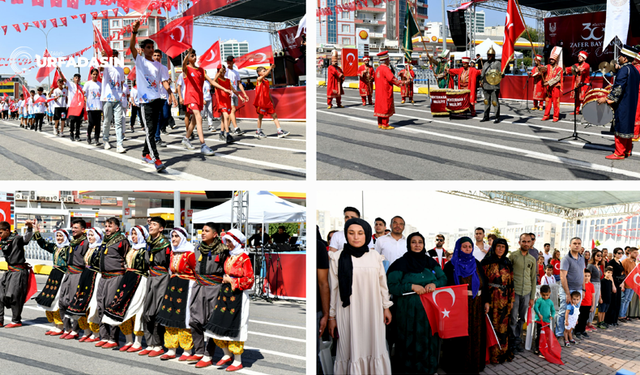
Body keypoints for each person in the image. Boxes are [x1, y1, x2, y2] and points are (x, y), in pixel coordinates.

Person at [327, 218, 392, 374]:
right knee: (350, 348)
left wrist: (386, 307)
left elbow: (383, 285)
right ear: (346, 235)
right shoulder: (337, 257)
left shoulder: (375, 256)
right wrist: (331, 317)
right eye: (351, 233)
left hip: (373, 310)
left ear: (367, 235)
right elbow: (333, 289)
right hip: (348, 312)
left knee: (374, 346)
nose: (356, 237)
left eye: (360, 233)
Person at [387, 232, 447, 373]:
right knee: (408, 340)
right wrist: (411, 287)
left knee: (427, 339)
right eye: (414, 242)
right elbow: (391, 286)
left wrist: (434, 284)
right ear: (409, 244)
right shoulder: (400, 263)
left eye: (420, 242)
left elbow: (443, 278)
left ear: (424, 244)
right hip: (406, 312)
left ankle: (428, 369)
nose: (417, 245)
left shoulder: (430, 262)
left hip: (428, 312)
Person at [203, 229, 255, 372]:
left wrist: (232, 280)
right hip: (225, 294)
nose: (228, 245)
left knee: (237, 326)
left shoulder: (244, 258)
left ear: (237, 242)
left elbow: (250, 280)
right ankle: (226, 354)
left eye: (230, 242)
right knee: (217, 323)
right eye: (226, 242)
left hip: (238, 295)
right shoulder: (229, 256)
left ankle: (237, 360)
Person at [129, 20, 174, 172]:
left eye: (152, 47)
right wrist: (134, 32)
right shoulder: (140, 61)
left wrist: (170, 93)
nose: (151, 49)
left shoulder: (159, 66)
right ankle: (156, 159)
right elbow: (131, 47)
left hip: (157, 100)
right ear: (143, 49)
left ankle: (144, 153)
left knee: (153, 129)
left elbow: (164, 82)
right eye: (149, 47)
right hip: (145, 101)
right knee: (150, 130)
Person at [442, 237, 488, 374]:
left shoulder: (476, 264)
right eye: (464, 246)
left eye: (469, 246)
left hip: (477, 305)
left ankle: (474, 364)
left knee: (475, 333)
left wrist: (486, 301)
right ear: (458, 248)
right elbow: (446, 286)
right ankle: (458, 365)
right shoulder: (451, 265)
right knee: (460, 334)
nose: (467, 249)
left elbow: (484, 283)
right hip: (458, 306)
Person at [102, 225, 149, 352]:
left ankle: (138, 342)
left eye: (136, 234)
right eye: (132, 234)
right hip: (127, 279)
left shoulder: (146, 250)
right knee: (123, 308)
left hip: (140, 280)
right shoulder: (132, 249)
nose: (133, 236)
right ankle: (128, 340)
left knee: (137, 310)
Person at [155, 227, 197, 360]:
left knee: (184, 317)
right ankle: (171, 348)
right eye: (172, 236)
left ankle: (187, 350)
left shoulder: (190, 253)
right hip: (173, 285)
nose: (173, 239)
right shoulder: (173, 253)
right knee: (169, 315)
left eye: (176, 236)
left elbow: (196, 271)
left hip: (186, 285)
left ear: (183, 238)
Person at [180, 48, 232, 155]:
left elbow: (212, 82)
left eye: (195, 55)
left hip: (199, 97)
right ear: (188, 57)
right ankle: (203, 145)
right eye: (191, 55)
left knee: (194, 121)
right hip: (191, 97)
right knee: (199, 118)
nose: (194, 57)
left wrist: (225, 89)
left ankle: (186, 139)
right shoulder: (186, 69)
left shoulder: (201, 70)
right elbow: (183, 64)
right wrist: (187, 55)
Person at [598, 46, 640, 158]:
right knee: (628, 125)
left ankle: (619, 152)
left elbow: (618, 88)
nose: (619, 58)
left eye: (620, 56)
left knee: (621, 125)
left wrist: (607, 99)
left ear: (625, 59)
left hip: (623, 103)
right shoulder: (635, 70)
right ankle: (627, 150)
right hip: (632, 103)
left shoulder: (624, 70)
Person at [95, 217, 130, 349]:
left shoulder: (122, 241)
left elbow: (128, 258)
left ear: (117, 228)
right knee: (101, 305)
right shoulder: (105, 240)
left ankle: (113, 338)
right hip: (103, 276)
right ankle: (103, 336)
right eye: (106, 226)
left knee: (112, 306)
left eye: (110, 226)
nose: (107, 228)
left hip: (116, 276)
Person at [139, 217, 171, 357]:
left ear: (161, 228)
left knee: (157, 312)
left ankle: (158, 345)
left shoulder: (165, 244)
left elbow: (169, 264)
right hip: (150, 278)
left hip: (162, 279)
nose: (150, 226)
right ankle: (150, 343)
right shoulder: (149, 243)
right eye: (150, 224)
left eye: (154, 224)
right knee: (146, 312)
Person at [66, 227, 104, 343]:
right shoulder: (90, 248)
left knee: (93, 305)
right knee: (81, 302)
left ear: (98, 236)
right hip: (85, 275)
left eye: (92, 235)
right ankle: (86, 330)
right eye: (89, 235)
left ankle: (96, 333)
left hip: (95, 276)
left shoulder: (101, 249)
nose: (90, 237)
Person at [33, 228, 73, 336]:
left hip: (63, 275)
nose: (59, 238)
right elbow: (43, 244)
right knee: (48, 299)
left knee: (56, 300)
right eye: (58, 236)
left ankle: (60, 326)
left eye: (61, 236)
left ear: (66, 237)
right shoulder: (55, 247)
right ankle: (55, 325)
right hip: (54, 275)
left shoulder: (69, 249)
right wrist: (37, 231)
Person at [481, 238, 515, 364]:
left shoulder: (507, 262)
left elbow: (511, 282)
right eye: (498, 246)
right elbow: (483, 283)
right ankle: (491, 356)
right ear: (494, 247)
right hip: (490, 298)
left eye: (503, 247)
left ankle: (502, 353)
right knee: (491, 325)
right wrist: (485, 300)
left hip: (505, 298)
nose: (500, 249)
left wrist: (512, 299)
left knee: (503, 326)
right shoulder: (486, 262)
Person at [58, 219, 89, 339]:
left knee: (74, 302)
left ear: (83, 229)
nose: (73, 230)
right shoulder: (73, 242)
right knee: (62, 302)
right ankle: (67, 327)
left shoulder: (86, 242)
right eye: (72, 227)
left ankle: (75, 330)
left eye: (76, 227)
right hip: (68, 273)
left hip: (78, 274)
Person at [0, 220, 34, 328]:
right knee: (0, 295)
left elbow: (26, 238)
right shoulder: (3, 241)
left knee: (14, 295)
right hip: (9, 271)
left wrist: (29, 228)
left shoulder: (17, 239)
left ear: (7, 231)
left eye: (0, 232)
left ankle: (16, 320)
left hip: (18, 272)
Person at [508, 233, 537, 352]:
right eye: (523, 241)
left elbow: (533, 278)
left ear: (531, 243)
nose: (526, 243)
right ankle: (512, 342)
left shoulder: (532, 259)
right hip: (515, 292)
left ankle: (518, 340)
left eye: (528, 241)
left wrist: (532, 296)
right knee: (513, 318)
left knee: (522, 319)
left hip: (526, 292)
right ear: (519, 242)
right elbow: (508, 275)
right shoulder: (513, 256)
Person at [555, 237, 585, 340]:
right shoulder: (566, 259)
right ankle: (559, 334)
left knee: (574, 313)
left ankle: (569, 333)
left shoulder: (582, 258)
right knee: (564, 312)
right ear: (570, 245)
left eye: (579, 243)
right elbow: (563, 277)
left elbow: (583, 273)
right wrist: (567, 294)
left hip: (578, 290)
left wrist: (583, 289)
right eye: (574, 243)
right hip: (567, 290)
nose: (577, 245)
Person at [254, 64, 290, 138]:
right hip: (261, 102)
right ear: (259, 73)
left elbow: (268, 92)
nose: (265, 72)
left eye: (265, 71)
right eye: (263, 71)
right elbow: (266, 74)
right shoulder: (259, 79)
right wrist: (271, 67)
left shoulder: (266, 81)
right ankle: (258, 131)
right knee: (260, 116)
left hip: (267, 102)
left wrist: (272, 100)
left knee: (274, 115)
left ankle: (279, 131)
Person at [98, 51, 125, 152]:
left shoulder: (120, 70)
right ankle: (105, 140)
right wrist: (103, 58)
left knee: (118, 122)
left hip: (117, 99)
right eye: (112, 56)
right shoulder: (106, 67)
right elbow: (100, 69)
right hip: (107, 98)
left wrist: (121, 95)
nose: (114, 58)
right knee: (107, 121)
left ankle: (119, 144)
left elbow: (121, 83)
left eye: (115, 56)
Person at [374, 51, 403, 130]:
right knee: (385, 106)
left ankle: (380, 123)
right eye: (388, 59)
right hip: (385, 91)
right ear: (386, 60)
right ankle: (385, 124)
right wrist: (401, 83)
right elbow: (392, 79)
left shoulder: (378, 69)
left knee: (380, 106)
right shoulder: (386, 69)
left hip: (379, 91)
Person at [225, 55, 250, 136]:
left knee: (232, 111)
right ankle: (236, 128)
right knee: (232, 110)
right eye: (227, 61)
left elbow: (239, 83)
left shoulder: (236, 72)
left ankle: (227, 128)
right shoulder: (225, 71)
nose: (228, 63)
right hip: (228, 93)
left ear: (233, 62)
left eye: (230, 61)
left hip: (235, 93)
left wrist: (244, 94)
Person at [151, 49, 171, 148]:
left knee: (166, 116)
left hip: (164, 96)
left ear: (161, 57)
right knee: (158, 117)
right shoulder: (150, 67)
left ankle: (157, 131)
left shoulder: (164, 68)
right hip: (155, 96)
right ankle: (157, 138)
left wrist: (170, 95)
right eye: (154, 55)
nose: (156, 57)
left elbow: (166, 82)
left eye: (158, 55)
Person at [480, 46, 503, 123]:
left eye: (490, 55)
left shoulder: (498, 63)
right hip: (486, 85)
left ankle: (497, 117)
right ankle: (486, 116)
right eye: (488, 55)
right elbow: (482, 74)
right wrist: (480, 81)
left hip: (494, 86)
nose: (488, 56)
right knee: (486, 102)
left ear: (493, 55)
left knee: (494, 102)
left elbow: (502, 74)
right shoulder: (485, 63)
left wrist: (501, 74)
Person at [541, 47, 563, 123]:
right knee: (547, 102)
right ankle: (546, 115)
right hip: (548, 88)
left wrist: (548, 83)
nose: (551, 60)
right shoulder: (547, 66)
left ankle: (556, 116)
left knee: (556, 102)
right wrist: (539, 68)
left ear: (556, 60)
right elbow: (543, 69)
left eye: (552, 59)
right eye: (550, 59)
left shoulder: (559, 69)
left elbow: (557, 78)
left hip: (555, 87)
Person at [533, 285, 555, 355]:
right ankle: (537, 347)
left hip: (547, 321)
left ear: (550, 293)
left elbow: (553, 310)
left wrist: (552, 316)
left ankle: (545, 346)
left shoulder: (550, 302)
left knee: (546, 335)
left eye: (547, 295)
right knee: (539, 335)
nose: (545, 297)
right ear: (540, 293)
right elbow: (535, 307)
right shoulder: (539, 300)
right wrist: (539, 314)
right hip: (540, 321)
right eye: (543, 295)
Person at [605, 248, 625, 327]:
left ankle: (615, 320)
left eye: (621, 253)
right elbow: (610, 274)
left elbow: (622, 273)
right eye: (619, 253)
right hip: (614, 283)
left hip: (619, 283)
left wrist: (622, 283)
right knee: (613, 302)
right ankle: (610, 320)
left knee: (618, 302)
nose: (620, 255)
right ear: (614, 253)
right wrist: (613, 285)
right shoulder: (611, 262)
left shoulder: (619, 262)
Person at [83, 68, 102, 145]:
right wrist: (86, 100)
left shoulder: (100, 84)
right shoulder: (88, 84)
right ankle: (88, 136)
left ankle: (96, 138)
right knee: (91, 123)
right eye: (93, 74)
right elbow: (84, 93)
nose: (95, 76)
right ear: (91, 75)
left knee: (98, 124)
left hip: (98, 107)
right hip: (90, 107)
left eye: (96, 74)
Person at [568, 51, 591, 115]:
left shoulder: (587, 65)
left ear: (584, 58)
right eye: (578, 57)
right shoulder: (576, 65)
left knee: (584, 99)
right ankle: (576, 110)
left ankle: (586, 111)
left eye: (580, 58)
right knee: (577, 98)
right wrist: (563, 69)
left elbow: (583, 69)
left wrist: (578, 70)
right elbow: (569, 69)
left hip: (584, 85)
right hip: (577, 84)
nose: (579, 59)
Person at [574, 269, 595, 338]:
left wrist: (593, 306)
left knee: (585, 318)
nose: (587, 277)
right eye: (585, 276)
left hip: (588, 305)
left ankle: (583, 330)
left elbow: (593, 296)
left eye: (588, 276)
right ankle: (577, 331)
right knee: (579, 318)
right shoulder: (581, 285)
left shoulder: (591, 285)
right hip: (581, 305)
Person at [586, 249, 603, 329]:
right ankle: (586, 322)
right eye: (598, 255)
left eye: (601, 255)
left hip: (598, 285)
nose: (600, 257)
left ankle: (590, 322)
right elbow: (587, 277)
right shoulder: (590, 265)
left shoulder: (598, 266)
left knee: (595, 303)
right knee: (590, 303)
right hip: (592, 284)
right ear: (594, 256)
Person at [620, 247, 637, 321]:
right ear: (630, 253)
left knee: (628, 300)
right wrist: (622, 284)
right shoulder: (625, 261)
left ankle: (624, 315)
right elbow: (622, 274)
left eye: (637, 253)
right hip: (626, 284)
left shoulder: (633, 262)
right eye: (635, 252)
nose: (636, 254)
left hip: (632, 285)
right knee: (624, 300)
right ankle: (621, 315)